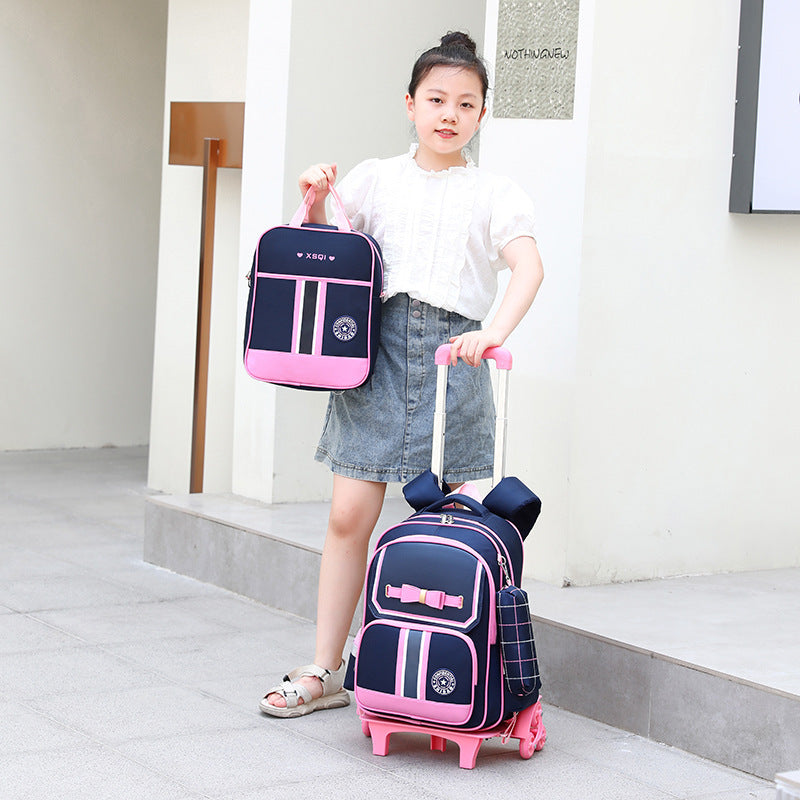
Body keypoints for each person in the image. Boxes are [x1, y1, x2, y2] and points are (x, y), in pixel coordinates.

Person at [259, 31, 544, 717]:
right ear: (410, 103)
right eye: (437, 99)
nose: (449, 113)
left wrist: (492, 334)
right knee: (347, 515)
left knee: (451, 531)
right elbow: (332, 249)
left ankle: (447, 674)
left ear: (481, 116)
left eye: (466, 103)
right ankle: (327, 668)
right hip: (378, 358)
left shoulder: (494, 191)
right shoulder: (377, 177)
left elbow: (528, 267)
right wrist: (318, 197)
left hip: (457, 365)